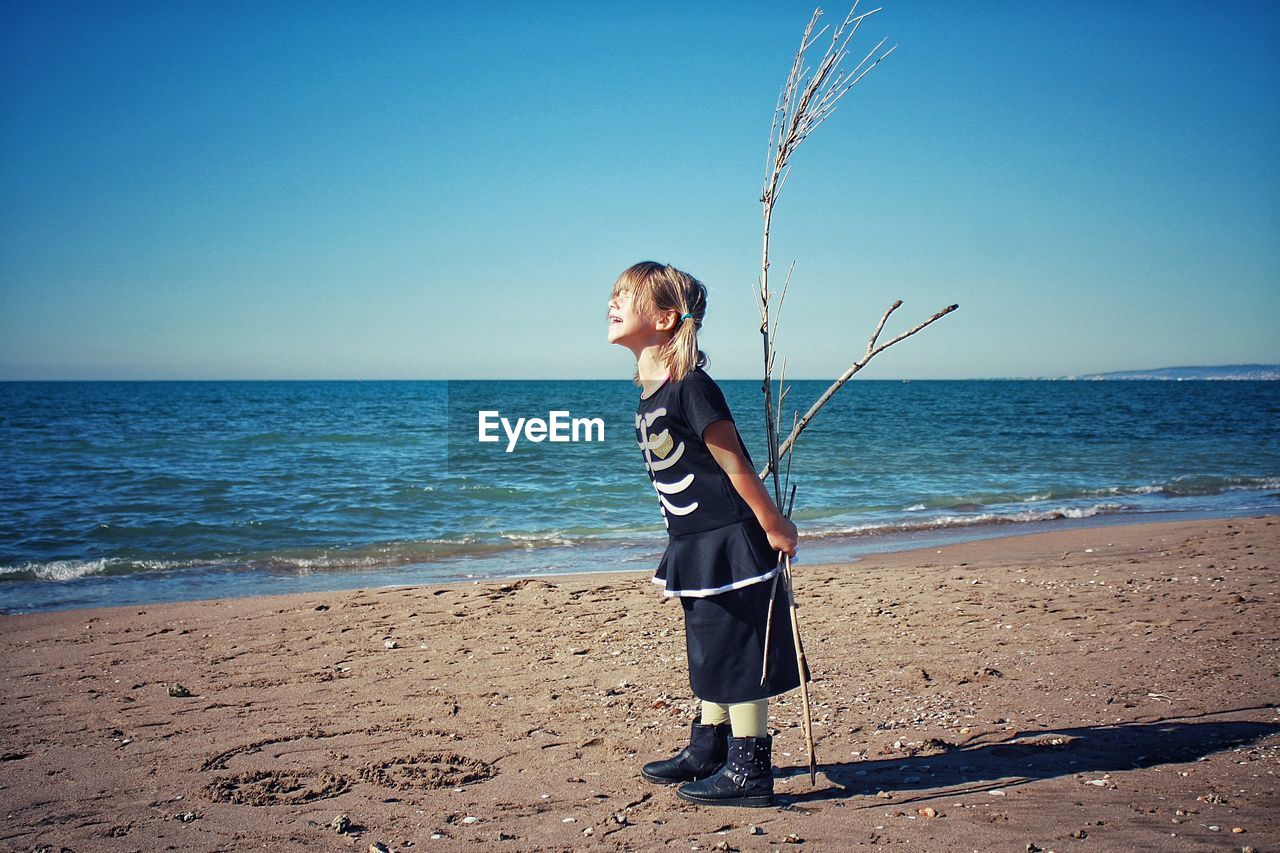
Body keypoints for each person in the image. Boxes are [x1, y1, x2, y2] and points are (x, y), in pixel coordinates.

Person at [607, 260, 802, 808]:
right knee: (709, 647)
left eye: (627, 295)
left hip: (730, 539)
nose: (612, 303)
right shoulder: (652, 391)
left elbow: (735, 463)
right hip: (694, 544)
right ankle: (709, 748)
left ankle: (749, 768)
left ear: (666, 318)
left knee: (739, 651)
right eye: (614, 294)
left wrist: (773, 524)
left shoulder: (693, 387)